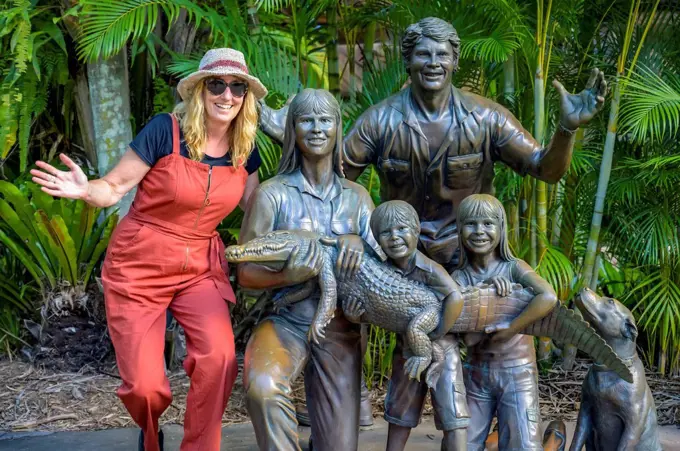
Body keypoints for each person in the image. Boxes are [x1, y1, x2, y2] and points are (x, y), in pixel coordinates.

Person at [259, 16, 606, 450]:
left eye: (442, 54)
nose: (433, 62)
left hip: (473, 263)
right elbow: (331, 166)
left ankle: (507, 436)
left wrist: (567, 129)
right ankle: (348, 416)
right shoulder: (380, 120)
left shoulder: (485, 116)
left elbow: (544, 169)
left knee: (502, 350)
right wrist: (286, 134)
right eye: (423, 53)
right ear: (407, 60)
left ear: (455, 60)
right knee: (382, 325)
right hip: (402, 266)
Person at [30, 48, 267, 451]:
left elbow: (260, 207)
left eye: (237, 87)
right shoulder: (165, 131)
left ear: (245, 96)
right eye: (217, 84)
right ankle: (151, 435)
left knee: (220, 358)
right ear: (198, 90)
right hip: (140, 262)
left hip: (199, 267)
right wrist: (85, 188)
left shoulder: (245, 148)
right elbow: (115, 187)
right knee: (144, 387)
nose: (227, 95)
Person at [238, 88, 383, 451]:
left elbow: (384, 270)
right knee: (264, 387)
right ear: (292, 129)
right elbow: (246, 277)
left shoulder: (357, 198)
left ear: (338, 128)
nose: (317, 129)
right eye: (306, 120)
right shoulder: (272, 195)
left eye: (325, 120)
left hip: (340, 329)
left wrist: (360, 245)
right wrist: (289, 275)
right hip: (286, 320)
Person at [450, 194, 558, 451]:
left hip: (517, 372)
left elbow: (548, 297)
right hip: (477, 373)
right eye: (471, 224)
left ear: (501, 228)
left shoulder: (513, 268)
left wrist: (512, 326)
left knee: (523, 445)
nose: (479, 231)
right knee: (460, 444)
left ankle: (554, 439)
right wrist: (487, 298)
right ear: (460, 229)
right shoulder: (458, 278)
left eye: (488, 224)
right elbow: (468, 338)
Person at [365, 200, 469, 450]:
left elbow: (455, 297)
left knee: (452, 413)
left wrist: (435, 332)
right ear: (377, 239)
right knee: (400, 410)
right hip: (407, 348)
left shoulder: (427, 267)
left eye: (402, 229)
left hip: (441, 348)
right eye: (386, 232)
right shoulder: (381, 270)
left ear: (416, 231)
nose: (395, 237)